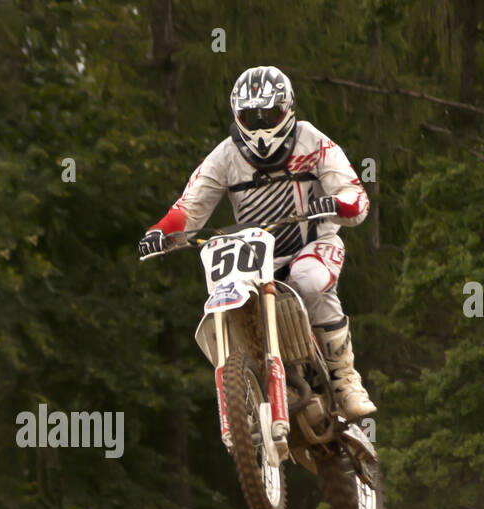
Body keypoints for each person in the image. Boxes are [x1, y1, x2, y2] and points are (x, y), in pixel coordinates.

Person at [139, 65, 376, 419]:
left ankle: (345, 378)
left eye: (270, 114)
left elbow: (355, 195)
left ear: (289, 109)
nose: (262, 126)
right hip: (254, 256)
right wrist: (160, 232)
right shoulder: (225, 156)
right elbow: (188, 208)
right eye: (252, 117)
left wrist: (337, 203)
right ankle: (246, 387)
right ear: (237, 116)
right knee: (231, 296)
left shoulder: (312, 141)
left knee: (308, 280)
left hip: (311, 243)